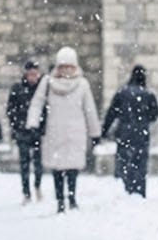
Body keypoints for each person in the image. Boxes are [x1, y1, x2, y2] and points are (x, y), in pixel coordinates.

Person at [25, 46, 99, 213]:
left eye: (69, 66)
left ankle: (71, 198)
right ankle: (60, 200)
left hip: (75, 132)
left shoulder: (82, 84)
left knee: (72, 168)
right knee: (57, 168)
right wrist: (32, 123)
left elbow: (90, 110)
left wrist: (95, 132)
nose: (66, 70)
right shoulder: (47, 83)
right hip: (55, 131)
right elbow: (37, 103)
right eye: (63, 66)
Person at [102, 64, 158, 197]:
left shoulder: (122, 92)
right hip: (141, 133)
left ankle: (125, 189)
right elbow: (154, 114)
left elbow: (111, 113)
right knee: (140, 163)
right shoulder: (148, 94)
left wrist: (104, 131)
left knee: (124, 162)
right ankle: (139, 190)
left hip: (124, 132)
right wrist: (144, 120)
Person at [6, 61, 45, 203]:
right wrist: (17, 125)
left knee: (38, 163)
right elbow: (11, 109)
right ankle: (26, 192)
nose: (32, 77)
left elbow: (46, 110)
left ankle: (37, 186)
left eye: (35, 74)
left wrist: (41, 127)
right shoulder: (18, 89)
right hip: (22, 131)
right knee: (24, 163)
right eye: (30, 74)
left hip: (37, 132)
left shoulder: (41, 89)